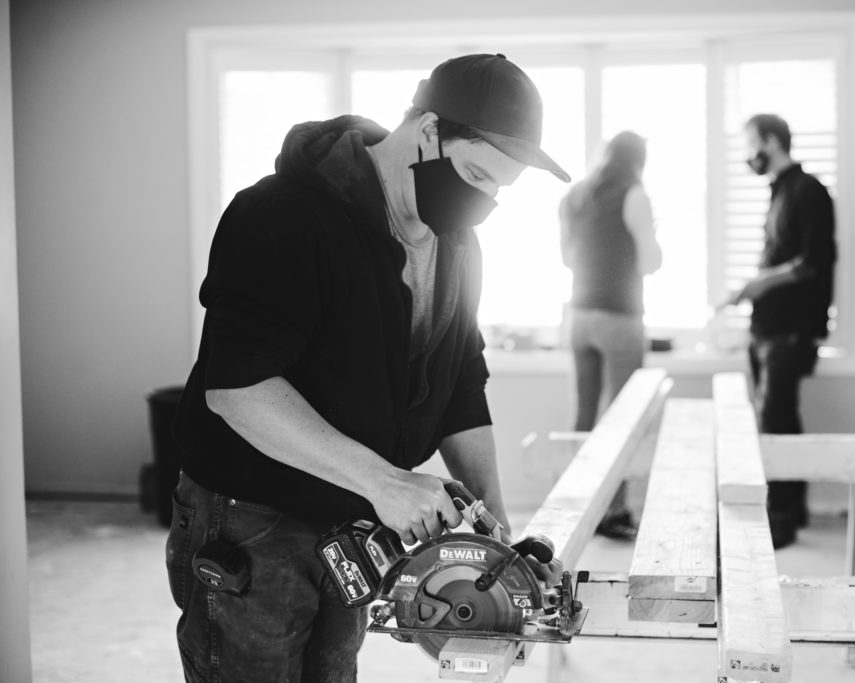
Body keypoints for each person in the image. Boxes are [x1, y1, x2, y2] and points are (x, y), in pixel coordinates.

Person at [166, 54, 568, 682]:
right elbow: (238, 388)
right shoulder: (282, 216)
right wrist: (384, 481)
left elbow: (461, 381)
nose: (484, 200)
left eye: (498, 188)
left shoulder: (456, 242)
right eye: (475, 174)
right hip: (251, 516)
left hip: (352, 514)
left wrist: (495, 531)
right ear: (427, 130)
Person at [724, 113, 837, 549]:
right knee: (777, 419)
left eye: (750, 142)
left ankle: (783, 520)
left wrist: (759, 283)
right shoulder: (779, 192)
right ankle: (793, 510)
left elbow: (814, 262)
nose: (747, 154)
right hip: (766, 328)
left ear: (772, 140)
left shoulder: (809, 191)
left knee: (777, 422)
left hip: (792, 331)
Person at [559, 131, 662, 540]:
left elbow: (568, 258)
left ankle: (576, 505)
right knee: (621, 419)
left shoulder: (577, 195)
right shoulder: (634, 194)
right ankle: (614, 511)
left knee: (584, 417)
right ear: (639, 160)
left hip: (579, 316)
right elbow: (650, 261)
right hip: (619, 316)